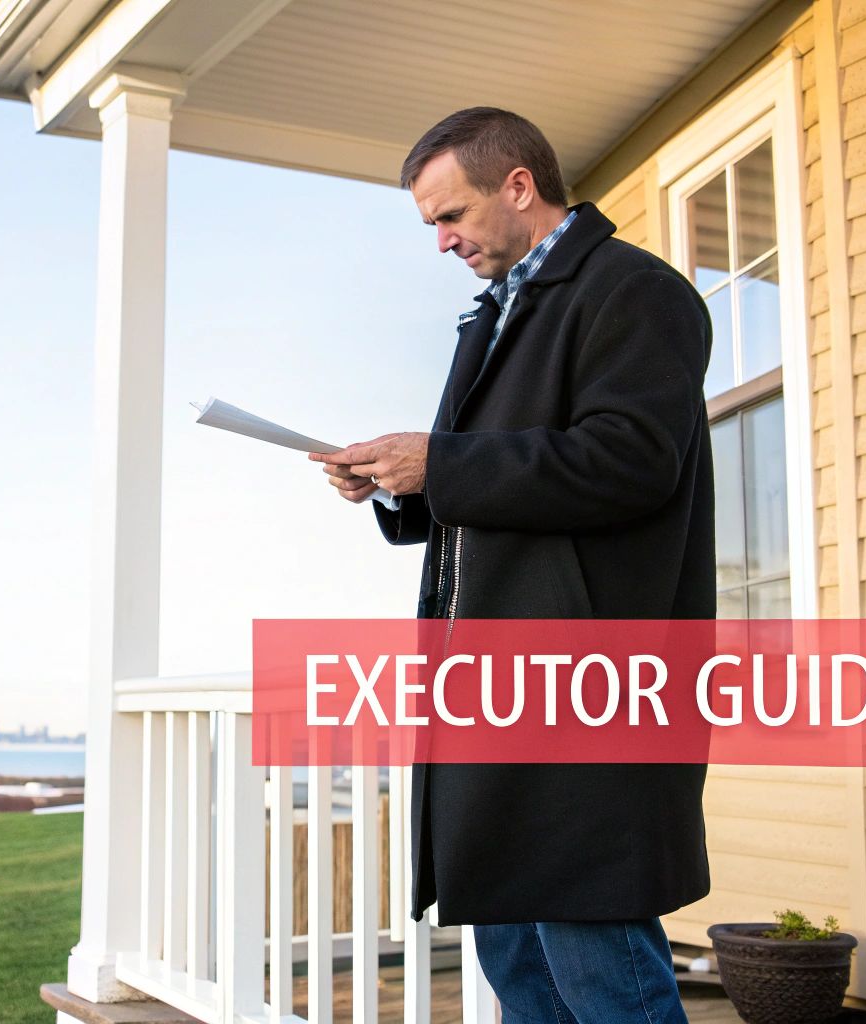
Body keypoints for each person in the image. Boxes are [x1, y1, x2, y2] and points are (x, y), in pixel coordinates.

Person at [308, 107, 716, 1024]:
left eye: (450, 217)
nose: (442, 242)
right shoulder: (494, 317)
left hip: (590, 686)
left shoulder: (632, 292)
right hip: (501, 692)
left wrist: (441, 463)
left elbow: (629, 461)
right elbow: (511, 483)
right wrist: (400, 487)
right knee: (519, 966)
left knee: (599, 961)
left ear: (520, 187)